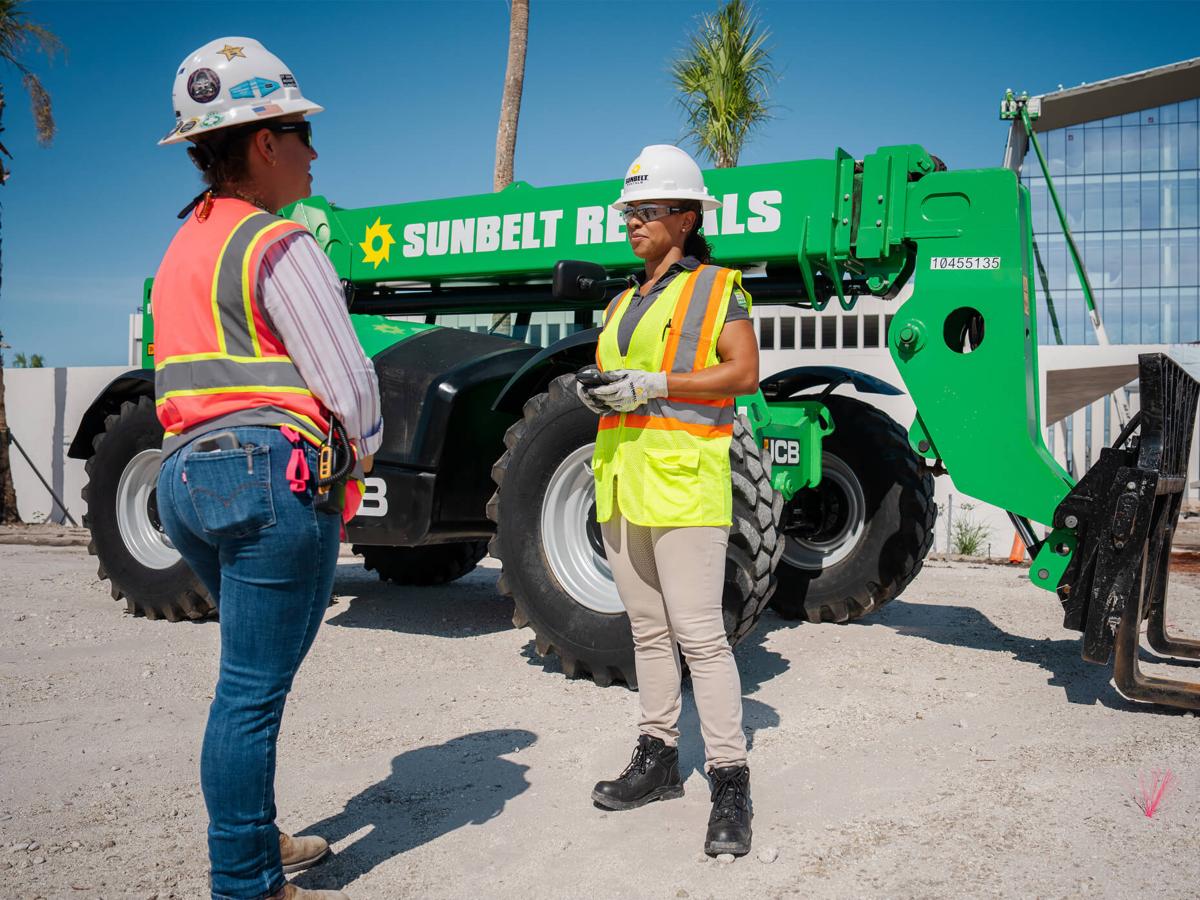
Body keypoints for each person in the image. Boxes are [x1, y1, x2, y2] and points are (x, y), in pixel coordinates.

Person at [153, 37, 382, 900]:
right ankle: (243, 880)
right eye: (300, 132)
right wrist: (358, 452)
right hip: (265, 473)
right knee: (250, 692)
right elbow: (348, 384)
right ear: (261, 143)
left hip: (186, 477)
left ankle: (253, 836)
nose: (314, 151)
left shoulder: (185, 246)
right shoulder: (275, 244)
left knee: (246, 682)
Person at [579, 145, 759, 857]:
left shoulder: (722, 288)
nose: (634, 223)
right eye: (629, 212)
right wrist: (600, 388)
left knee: (700, 637)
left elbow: (742, 373)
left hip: (685, 484)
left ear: (685, 218)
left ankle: (729, 777)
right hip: (622, 480)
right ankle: (657, 757)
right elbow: (620, 377)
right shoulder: (623, 299)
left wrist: (653, 385)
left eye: (647, 211)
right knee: (648, 633)